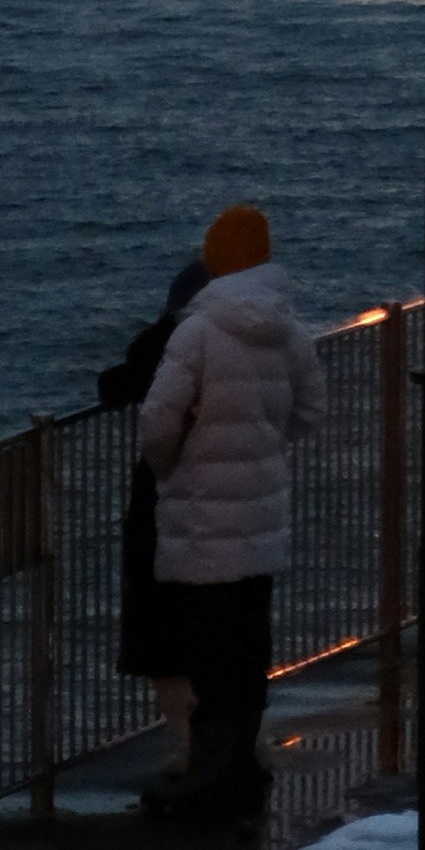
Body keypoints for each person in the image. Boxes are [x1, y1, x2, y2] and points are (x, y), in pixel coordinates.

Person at [136, 202, 324, 816]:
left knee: (206, 643)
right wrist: (262, 445)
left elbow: (157, 419)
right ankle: (242, 762)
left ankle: (208, 775)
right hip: (259, 515)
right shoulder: (287, 328)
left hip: (201, 517)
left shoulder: (198, 330)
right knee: (248, 640)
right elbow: (311, 411)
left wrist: (172, 467)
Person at [98, 251, 211, 781]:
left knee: (161, 633)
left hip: (170, 508)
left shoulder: (170, 345)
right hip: (237, 513)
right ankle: (236, 751)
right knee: (224, 630)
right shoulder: (263, 341)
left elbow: (129, 389)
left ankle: (190, 755)